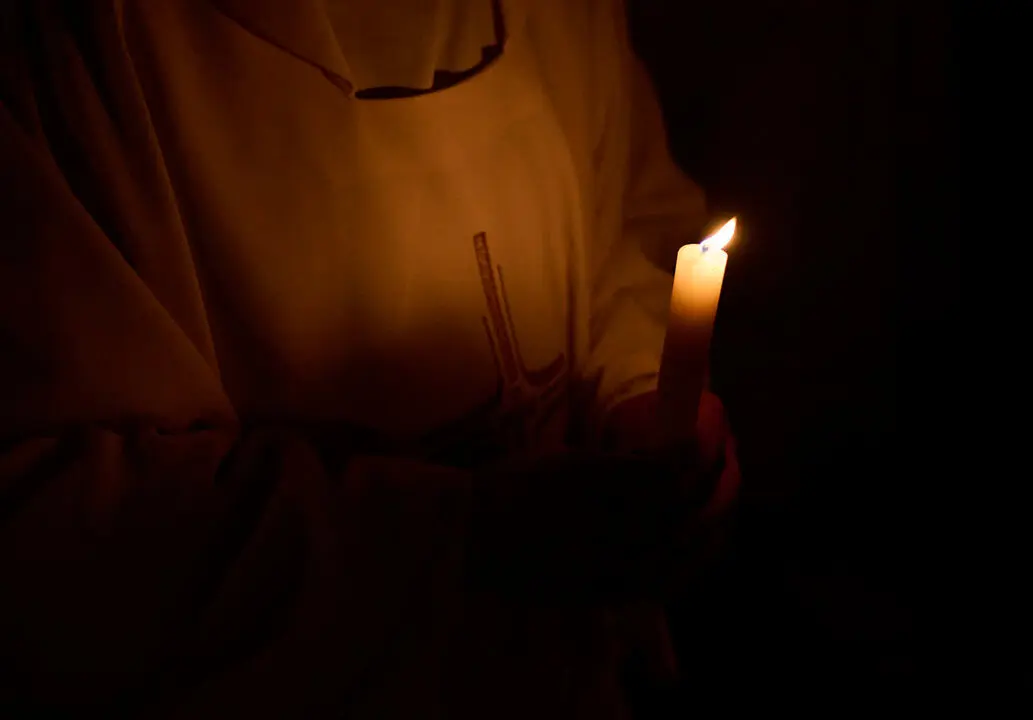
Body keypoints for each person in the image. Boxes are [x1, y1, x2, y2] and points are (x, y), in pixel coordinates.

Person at [0, 0, 738, 715]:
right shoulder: (75, 40)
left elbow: (626, 229)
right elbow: (51, 536)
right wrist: (453, 535)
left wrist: (640, 395)